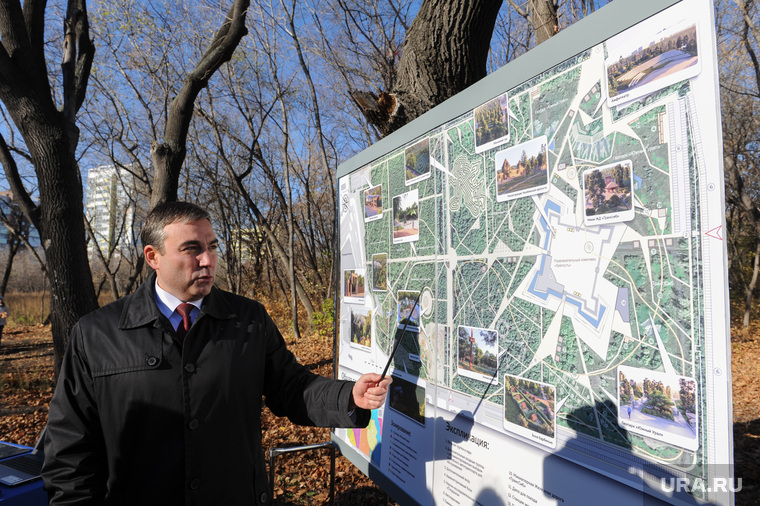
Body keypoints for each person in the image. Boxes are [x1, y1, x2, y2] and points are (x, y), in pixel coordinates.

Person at [42, 201, 392, 505]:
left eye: (212, 246)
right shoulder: (96, 334)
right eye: (192, 248)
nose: (208, 260)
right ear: (153, 257)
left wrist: (349, 396)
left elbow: (292, 388)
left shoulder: (249, 319)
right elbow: (70, 447)